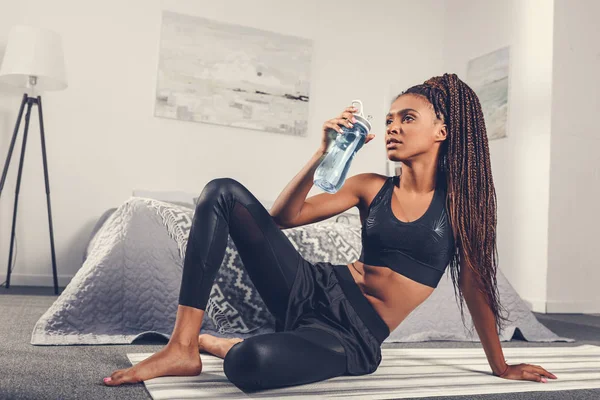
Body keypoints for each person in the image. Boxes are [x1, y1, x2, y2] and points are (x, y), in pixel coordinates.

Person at [103, 73, 557, 390]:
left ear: (443, 128)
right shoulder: (369, 186)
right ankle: (183, 345)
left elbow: (476, 287)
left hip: (351, 335)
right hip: (308, 286)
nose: (393, 127)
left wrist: (501, 366)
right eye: (389, 120)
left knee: (249, 364)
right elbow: (283, 216)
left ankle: (222, 344)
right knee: (222, 191)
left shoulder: (460, 208)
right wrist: (322, 152)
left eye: (407, 118)